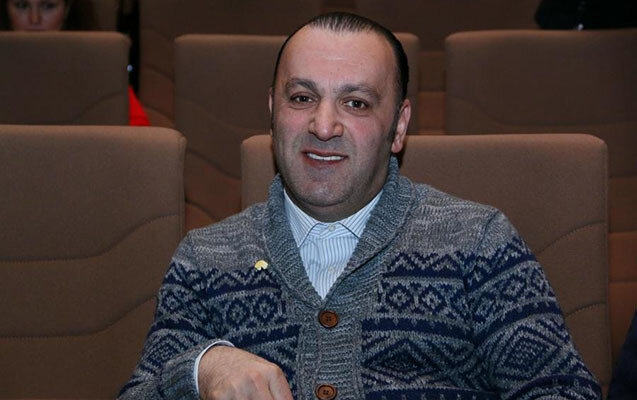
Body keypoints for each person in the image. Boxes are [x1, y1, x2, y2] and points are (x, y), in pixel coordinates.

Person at [119, 12, 601, 400]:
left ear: (399, 125)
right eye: (302, 97)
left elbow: (565, 391)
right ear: (272, 111)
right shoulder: (205, 260)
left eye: (356, 103)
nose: (323, 126)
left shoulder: (479, 243)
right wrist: (200, 369)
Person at [1, 0, 150, 126]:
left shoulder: (98, 64)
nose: (34, 19)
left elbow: (137, 134)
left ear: (67, 10)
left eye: (48, 6)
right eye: (22, 6)